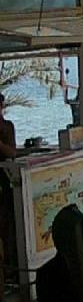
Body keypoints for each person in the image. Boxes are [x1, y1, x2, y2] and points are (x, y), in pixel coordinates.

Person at [0, 93, 17, 278]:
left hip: (3, 181)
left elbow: (12, 152)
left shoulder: (6, 126)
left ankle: (10, 268)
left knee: (6, 226)